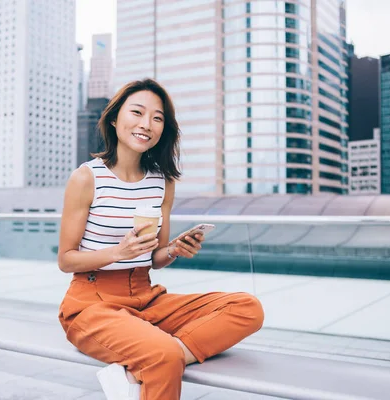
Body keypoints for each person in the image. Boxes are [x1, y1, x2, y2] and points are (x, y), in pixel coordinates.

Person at [57, 79, 264, 400]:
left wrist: (175, 249)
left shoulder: (162, 182)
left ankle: (150, 361)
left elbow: (155, 258)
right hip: (92, 303)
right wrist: (118, 252)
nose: (146, 124)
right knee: (162, 353)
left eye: (157, 118)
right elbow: (66, 259)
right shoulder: (86, 177)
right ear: (114, 119)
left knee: (247, 308)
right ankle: (157, 357)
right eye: (137, 113)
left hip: (147, 297)